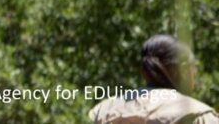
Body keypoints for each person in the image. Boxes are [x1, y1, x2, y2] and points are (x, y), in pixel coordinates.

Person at [89, 34, 218, 124]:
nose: (194, 73)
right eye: (193, 67)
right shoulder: (196, 115)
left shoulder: (103, 110)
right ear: (183, 70)